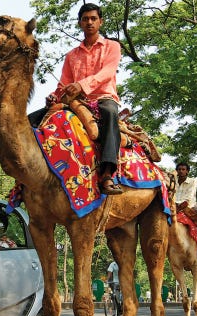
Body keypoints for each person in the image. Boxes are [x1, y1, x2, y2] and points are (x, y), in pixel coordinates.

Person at [46, 3, 123, 195]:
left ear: (100, 21)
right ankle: (28, 179)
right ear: (80, 23)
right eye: (85, 19)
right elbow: (63, 84)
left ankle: (107, 173)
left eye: (93, 18)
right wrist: (54, 97)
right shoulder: (71, 55)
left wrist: (82, 85)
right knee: (38, 118)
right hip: (76, 102)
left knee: (110, 112)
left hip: (104, 98)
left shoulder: (112, 47)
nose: (89, 22)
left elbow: (108, 72)